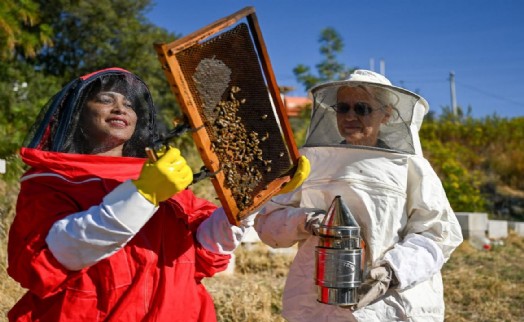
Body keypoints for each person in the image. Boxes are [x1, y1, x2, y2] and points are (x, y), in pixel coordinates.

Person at [7, 67, 307, 321]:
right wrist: (143, 195)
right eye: (105, 99)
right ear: (78, 116)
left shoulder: (160, 175)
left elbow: (206, 251)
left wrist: (252, 197)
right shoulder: (51, 180)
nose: (121, 108)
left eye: (129, 104)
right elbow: (56, 254)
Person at [254, 69, 464, 322]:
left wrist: (391, 273)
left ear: (386, 114)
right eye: (342, 108)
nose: (350, 116)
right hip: (317, 302)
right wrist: (306, 221)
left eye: (362, 108)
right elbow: (268, 222)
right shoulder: (309, 163)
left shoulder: (410, 167)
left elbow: (438, 235)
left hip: (389, 305)